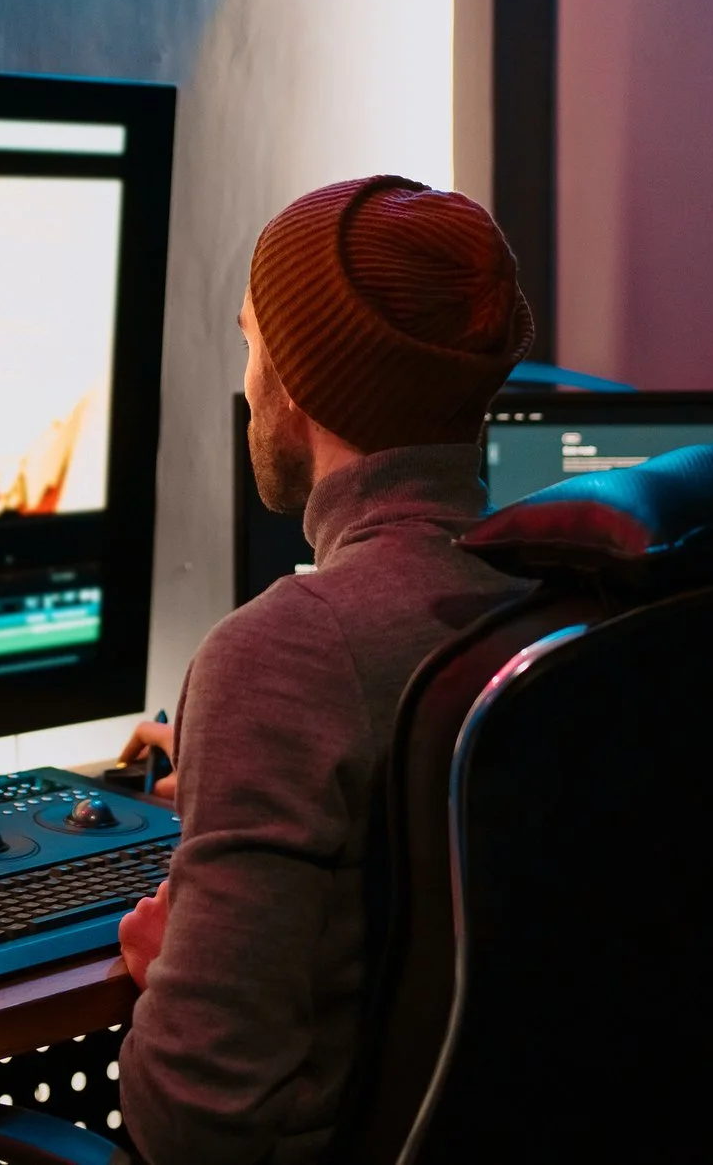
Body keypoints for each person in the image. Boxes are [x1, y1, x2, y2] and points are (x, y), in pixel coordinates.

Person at [113, 175, 536, 1165]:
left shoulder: (285, 654)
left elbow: (194, 1123)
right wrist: (244, 771)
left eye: (253, 342)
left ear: (299, 382)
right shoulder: (554, 595)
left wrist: (165, 968)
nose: (248, 378)